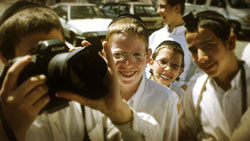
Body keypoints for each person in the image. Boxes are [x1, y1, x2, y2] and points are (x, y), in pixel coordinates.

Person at [0, 2, 178, 141]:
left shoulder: (84, 101)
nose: (51, 67)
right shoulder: (6, 118)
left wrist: (119, 112)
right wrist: (9, 131)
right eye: (39, 58)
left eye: (57, 53)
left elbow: (154, 136)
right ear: (6, 60)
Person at [180, 10, 250, 140]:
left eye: (208, 46)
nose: (201, 58)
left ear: (230, 43)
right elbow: (187, 135)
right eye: (193, 50)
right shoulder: (194, 91)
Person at [148, 0, 202, 89]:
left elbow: (203, 70)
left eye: (162, 7)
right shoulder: (155, 36)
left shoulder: (191, 39)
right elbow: (145, 65)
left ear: (177, 8)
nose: (158, 11)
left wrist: (188, 86)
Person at [149, 40, 184, 112]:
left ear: (180, 72)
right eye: (163, 62)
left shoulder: (180, 96)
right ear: (151, 63)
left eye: (175, 66)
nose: (168, 69)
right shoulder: (137, 87)